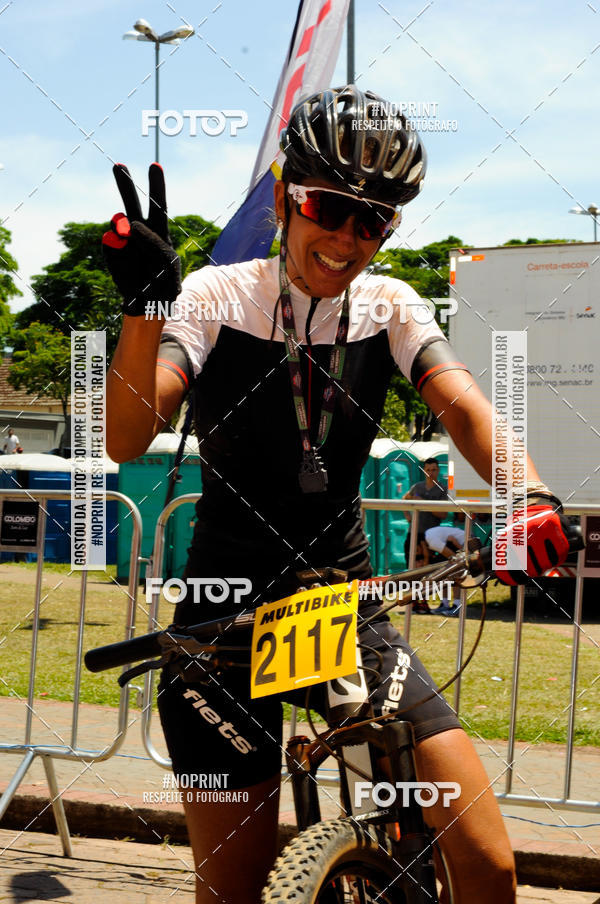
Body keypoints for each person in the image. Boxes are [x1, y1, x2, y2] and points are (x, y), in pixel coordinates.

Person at [104, 85, 572, 904]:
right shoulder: (217, 296)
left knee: (487, 864)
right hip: (226, 620)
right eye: (329, 205)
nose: (348, 236)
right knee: (234, 895)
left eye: (376, 220)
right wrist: (145, 310)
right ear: (286, 193)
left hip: (342, 608)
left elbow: (461, 403)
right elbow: (127, 436)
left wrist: (527, 493)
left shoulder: (388, 305)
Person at [402, 457, 448, 612]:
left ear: (438, 470)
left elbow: (443, 514)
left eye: (434, 469)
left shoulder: (442, 489)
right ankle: (412, 601)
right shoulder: (417, 487)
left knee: (427, 569)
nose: (431, 473)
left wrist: (424, 504)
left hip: (430, 535)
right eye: (428, 470)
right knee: (413, 567)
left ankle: (424, 601)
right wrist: (407, 516)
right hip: (414, 532)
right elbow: (404, 499)